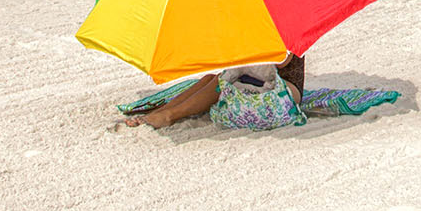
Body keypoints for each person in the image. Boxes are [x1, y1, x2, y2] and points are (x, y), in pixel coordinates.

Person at [125, 53, 306, 129]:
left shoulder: (288, 22)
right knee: (210, 79)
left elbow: (283, 61)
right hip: (257, 76)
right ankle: (162, 110)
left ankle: (171, 115)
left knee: (217, 84)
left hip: (284, 86)